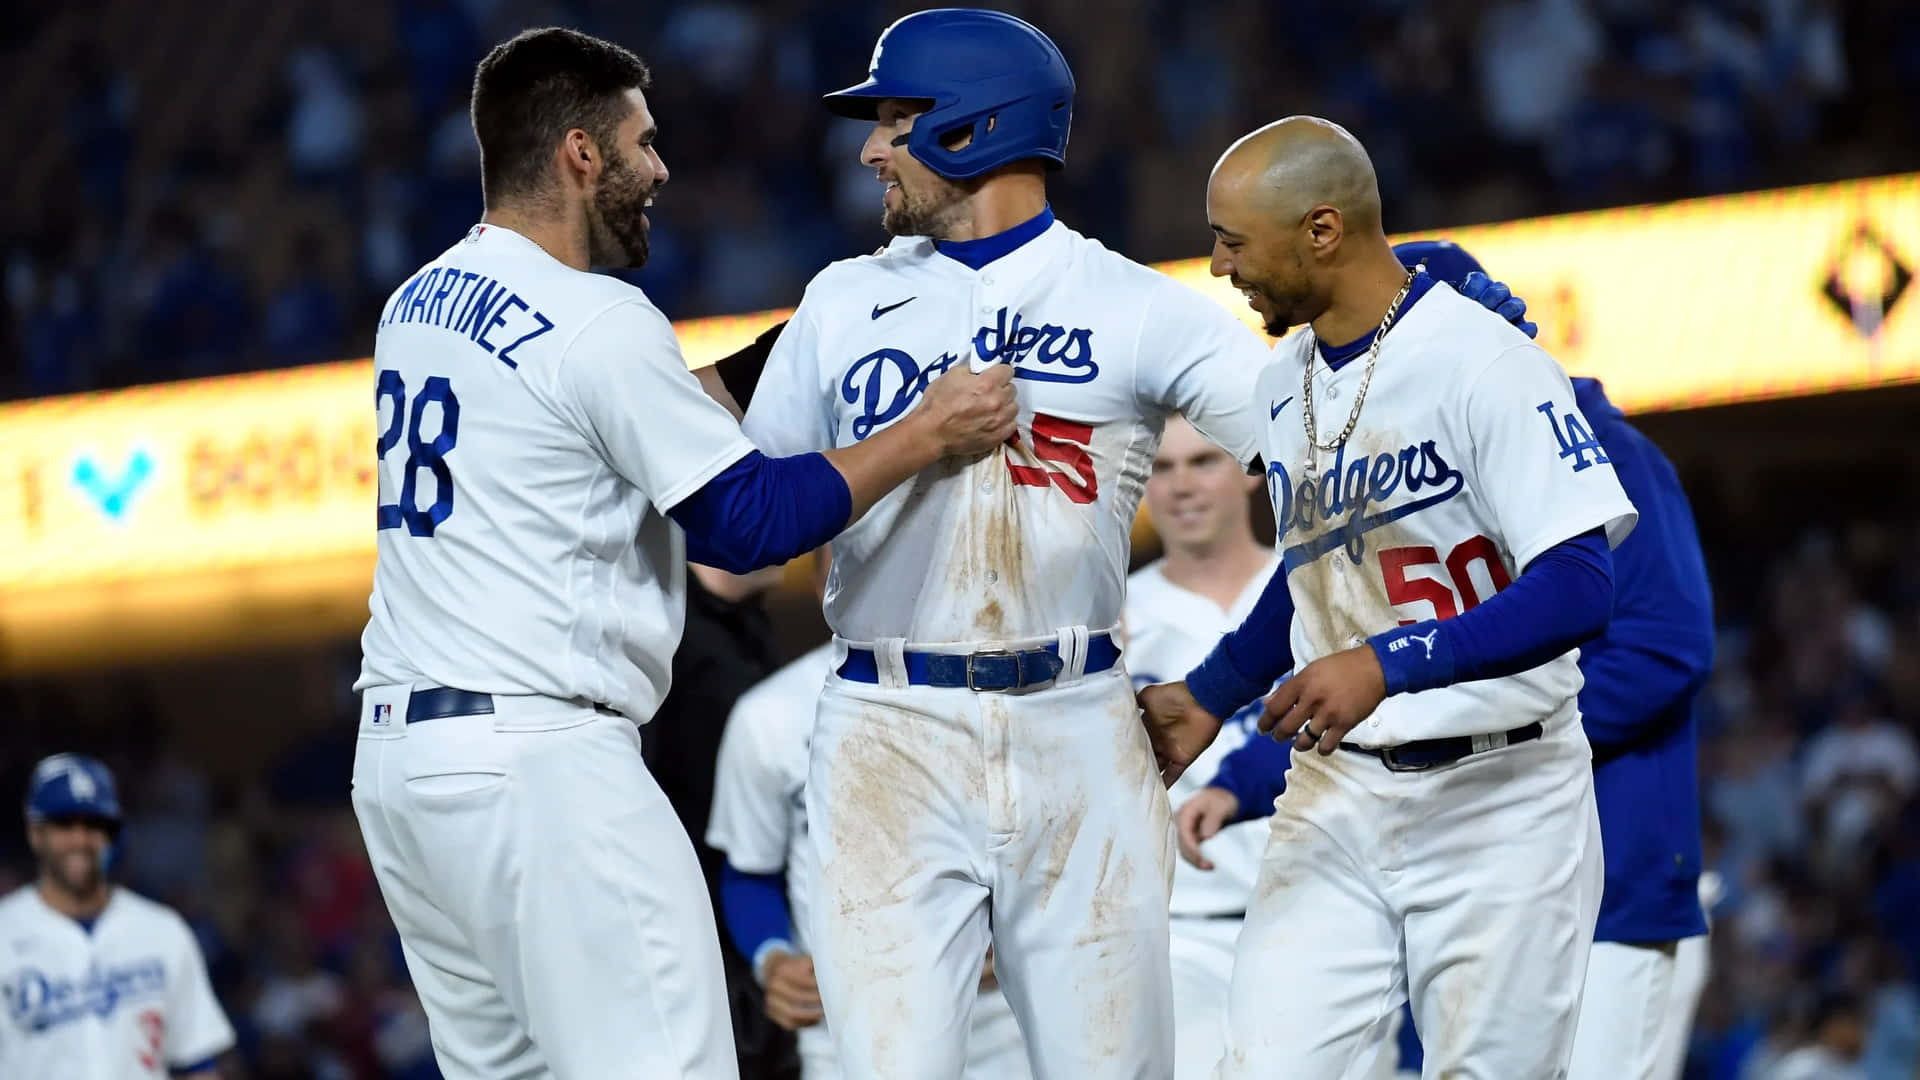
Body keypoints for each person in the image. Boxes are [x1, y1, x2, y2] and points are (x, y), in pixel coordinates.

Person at [348, 27, 1017, 1080]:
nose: (659, 169)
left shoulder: (419, 303)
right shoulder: (599, 319)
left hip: (407, 771)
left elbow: (613, 414)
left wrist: (803, 342)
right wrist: (925, 433)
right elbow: (745, 520)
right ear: (580, 153)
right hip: (545, 767)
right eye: (642, 143)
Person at [1138, 117, 1638, 1078]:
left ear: (1322, 230)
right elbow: (1320, 571)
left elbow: (1581, 588)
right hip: (1339, 791)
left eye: (1234, 241)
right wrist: (1210, 692)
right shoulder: (1283, 380)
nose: (1216, 264)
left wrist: (1389, 661)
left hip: (1505, 794)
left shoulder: (1484, 359)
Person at [707, 548, 1031, 1080]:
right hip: (844, 1027)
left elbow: (1058, 849)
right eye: (856, 564)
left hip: (998, 1021)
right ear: (822, 586)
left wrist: (1018, 929)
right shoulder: (769, 715)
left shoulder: (1010, 691)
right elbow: (751, 871)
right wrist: (772, 959)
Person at [1120, 415, 1278, 1080]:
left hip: (1323, 901)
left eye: (1203, 462)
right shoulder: (1111, 617)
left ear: (1250, 471)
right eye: (1161, 468)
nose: (1181, 485)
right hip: (1179, 926)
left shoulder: (1313, 590)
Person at [0, 754, 235, 1079]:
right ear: (35, 832)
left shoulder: (163, 930)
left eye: (94, 824)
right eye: (64, 824)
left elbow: (197, 1063)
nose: (80, 839)